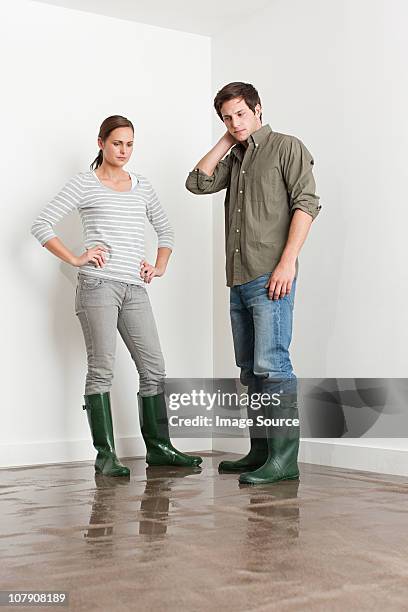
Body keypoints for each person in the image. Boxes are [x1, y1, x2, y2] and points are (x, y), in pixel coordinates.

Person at [31, 115, 202, 477]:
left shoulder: (142, 186)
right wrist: (77, 258)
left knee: (154, 368)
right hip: (98, 286)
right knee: (102, 369)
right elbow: (41, 224)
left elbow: (166, 230)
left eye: (129, 144)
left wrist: (158, 266)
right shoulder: (85, 183)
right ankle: (105, 455)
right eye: (117, 143)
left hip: (134, 288)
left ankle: (159, 449)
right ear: (101, 143)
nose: (123, 151)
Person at [185, 83, 321, 485]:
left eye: (241, 114)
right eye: (227, 117)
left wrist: (288, 262)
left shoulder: (286, 146)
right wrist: (228, 140)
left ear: (258, 109)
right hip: (239, 278)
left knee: (274, 365)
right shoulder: (236, 158)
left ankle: (284, 460)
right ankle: (261, 452)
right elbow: (197, 183)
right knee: (250, 371)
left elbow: (307, 203)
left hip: (271, 275)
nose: (235, 122)